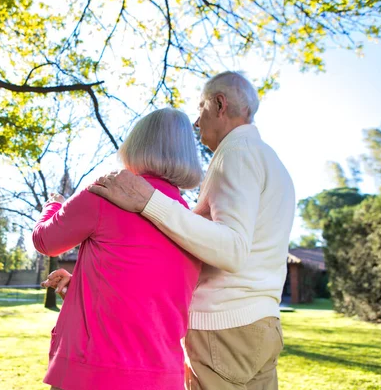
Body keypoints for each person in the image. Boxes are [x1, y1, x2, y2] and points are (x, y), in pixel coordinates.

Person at [78, 71, 295, 390]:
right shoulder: (273, 162)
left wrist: (148, 201)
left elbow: (232, 249)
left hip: (226, 330)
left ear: (220, 105)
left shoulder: (234, 153)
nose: (196, 122)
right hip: (264, 326)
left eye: (201, 108)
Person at [33, 108, 204, 390]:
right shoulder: (189, 220)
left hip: (95, 374)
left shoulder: (104, 194)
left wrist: (53, 204)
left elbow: (45, 241)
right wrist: (80, 288)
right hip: (161, 376)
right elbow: (146, 289)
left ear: (136, 145)